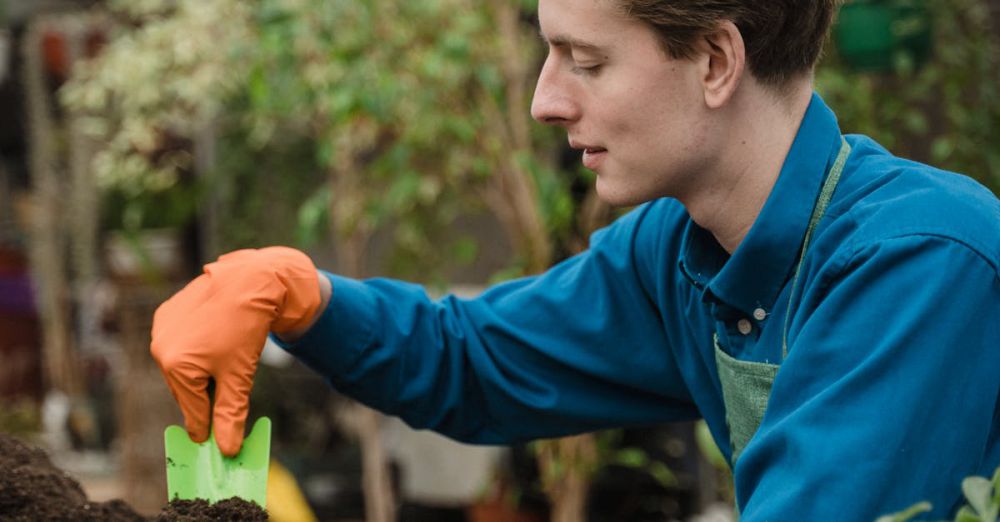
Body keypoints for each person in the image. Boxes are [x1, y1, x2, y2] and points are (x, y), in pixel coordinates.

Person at [150, 0, 1000, 519]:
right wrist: (304, 297)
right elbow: (479, 361)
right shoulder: (678, 250)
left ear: (715, 60)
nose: (544, 101)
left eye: (585, 60)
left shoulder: (920, 262)